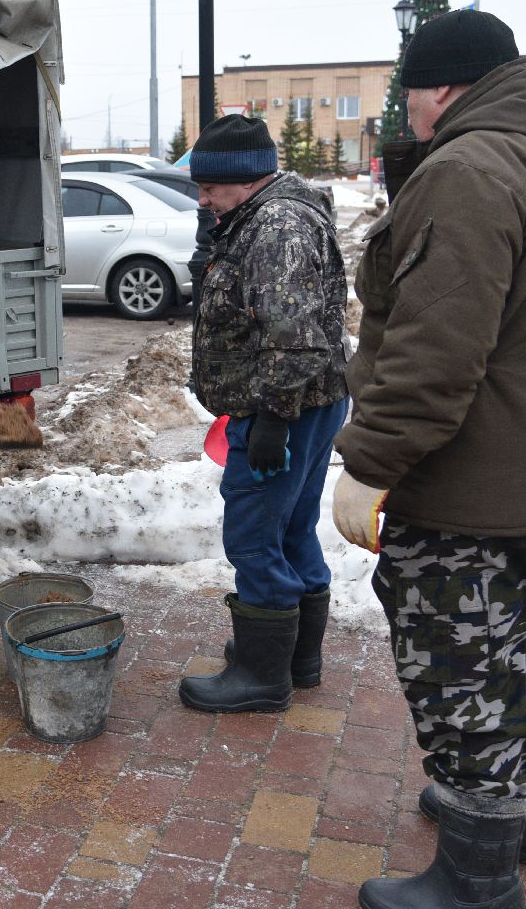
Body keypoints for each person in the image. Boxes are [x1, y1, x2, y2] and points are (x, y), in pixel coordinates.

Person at [330, 9, 526, 909]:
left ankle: (477, 880)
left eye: (409, 93)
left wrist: (370, 463)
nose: (406, 111)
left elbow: (435, 351)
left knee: (460, 673)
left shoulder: (469, 169)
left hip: (473, 484)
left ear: (442, 88)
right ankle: (518, 818)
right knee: (507, 649)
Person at [179, 114, 350, 714]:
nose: (202, 199)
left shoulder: (277, 227)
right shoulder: (261, 216)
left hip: (283, 404)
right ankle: (295, 657)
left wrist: (273, 419)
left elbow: (294, 338)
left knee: (254, 534)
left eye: (210, 187)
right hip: (306, 400)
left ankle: (261, 676)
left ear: (248, 178)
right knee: (292, 527)